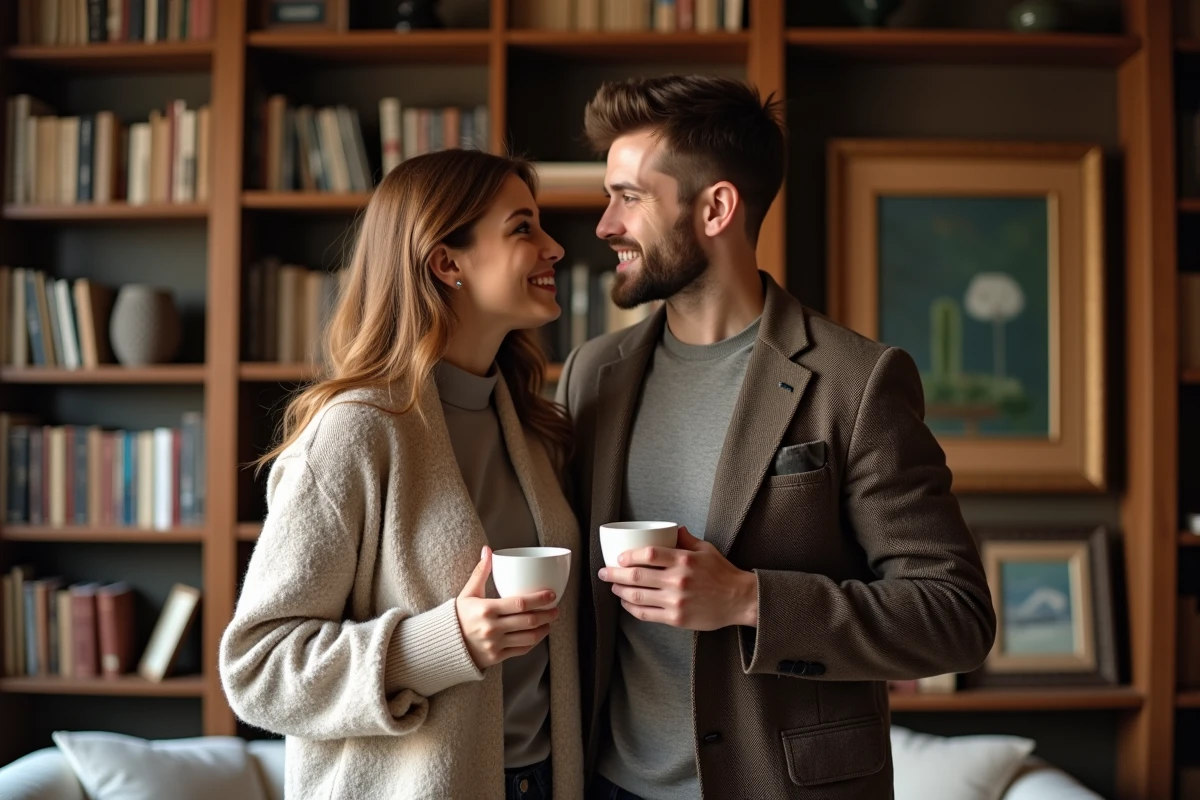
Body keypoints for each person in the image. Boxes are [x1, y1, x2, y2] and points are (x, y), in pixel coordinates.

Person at [555, 75, 997, 800]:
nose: (605, 225)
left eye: (628, 197)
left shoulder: (857, 381)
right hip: (609, 785)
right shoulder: (590, 375)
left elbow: (954, 617)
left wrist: (751, 599)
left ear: (717, 207)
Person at [220, 149, 584, 800]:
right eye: (523, 227)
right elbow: (258, 670)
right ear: (447, 262)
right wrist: (442, 643)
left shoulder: (532, 427)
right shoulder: (356, 431)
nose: (554, 247)